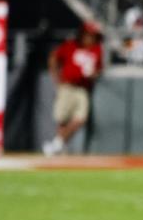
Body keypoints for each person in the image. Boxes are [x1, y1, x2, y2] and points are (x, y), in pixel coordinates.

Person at [43, 22, 103, 156]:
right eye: (89, 35)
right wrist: (56, 78)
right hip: (67, 86)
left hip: (83, 88)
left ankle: (57, 144)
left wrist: (92, 74)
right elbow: (54, 58)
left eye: (93, 35)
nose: (91, 38)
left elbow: (98, 69)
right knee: (62, 119)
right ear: (83, 34)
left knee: (81, 118)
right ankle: (59, 146)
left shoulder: (96, 49)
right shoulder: (71, 45)